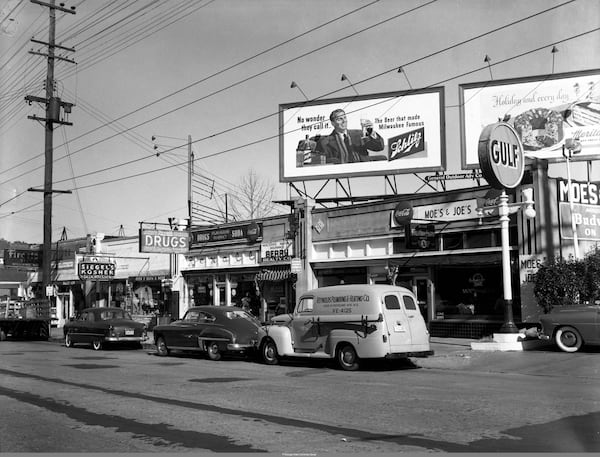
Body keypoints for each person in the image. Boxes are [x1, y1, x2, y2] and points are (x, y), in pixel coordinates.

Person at [315, 108, 384, 164]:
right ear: (333, 123)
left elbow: (379, 147)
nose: (344, 121)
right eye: (340, 119)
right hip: (342, 174)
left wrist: (371, 132)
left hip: (363, 171)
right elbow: (324, 162)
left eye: (344, 118)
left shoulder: (359, 134)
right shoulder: (325, 142)